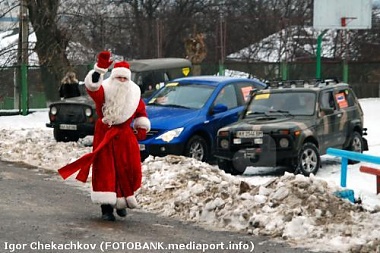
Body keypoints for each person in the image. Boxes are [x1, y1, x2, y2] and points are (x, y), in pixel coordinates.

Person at [58, 51, 151, 221]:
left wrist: (141, 125)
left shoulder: (134, 93)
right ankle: (106, 208)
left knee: (128, 168)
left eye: (125, 79)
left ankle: (121, 201)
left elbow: (141, 111)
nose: (122, 81)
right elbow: (93, 88)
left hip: (125, 137)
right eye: (119, 78)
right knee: (105, 171)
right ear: (113, 78)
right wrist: (99, 70)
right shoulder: (105, 90)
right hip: (105, 134)